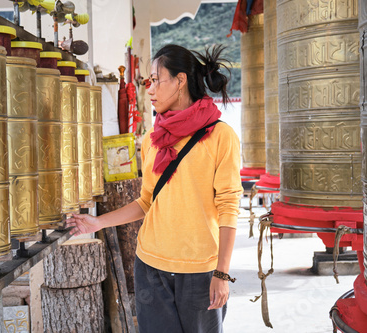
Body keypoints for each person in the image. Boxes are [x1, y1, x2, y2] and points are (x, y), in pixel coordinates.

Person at [66, 44, 243, 333]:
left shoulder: (221, 137)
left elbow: (228, 206)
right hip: (150, 267)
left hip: (200, 270)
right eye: (148, 81)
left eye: (155, 80)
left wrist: (222, 273)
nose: (149, 89)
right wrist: (96, 223)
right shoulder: (152, 139)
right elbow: (147, 201)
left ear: (180, 80)